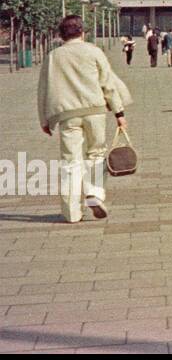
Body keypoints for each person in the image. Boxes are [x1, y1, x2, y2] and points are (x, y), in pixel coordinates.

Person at [36, 15, 132, 223]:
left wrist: (44, 119)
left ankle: (71, 212)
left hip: (67, 115)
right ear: (82, 31)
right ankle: (94, 194)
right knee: (96, 154)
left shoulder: (53, 56)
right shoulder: (93, 51)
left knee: (70, 161)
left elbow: (43, 88)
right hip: (95, 111)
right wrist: (119, 113)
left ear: (61, 34)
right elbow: (108, 84)